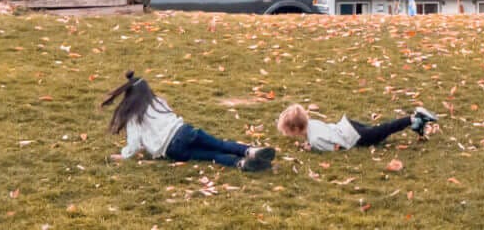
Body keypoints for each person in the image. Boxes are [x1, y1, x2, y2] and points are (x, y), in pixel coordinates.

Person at [101, 70, 276, 170]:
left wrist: (124, 155)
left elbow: (133, 143)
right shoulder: (158, 102)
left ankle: (241, 163)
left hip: (173, 150)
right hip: (185, 132)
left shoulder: (133, 116)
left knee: (211, 156)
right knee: (220, 144)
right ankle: (251, 151)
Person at [276, 102, 439, 152]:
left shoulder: (315, 139)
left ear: (296, 129)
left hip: (354, 137)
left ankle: (414, 118)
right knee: (378, 129)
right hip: (348, 125)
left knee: (383, 130)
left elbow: (336, 147)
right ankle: (417, 125)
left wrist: (312, 148)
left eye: (288, 132)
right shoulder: (313, 124)